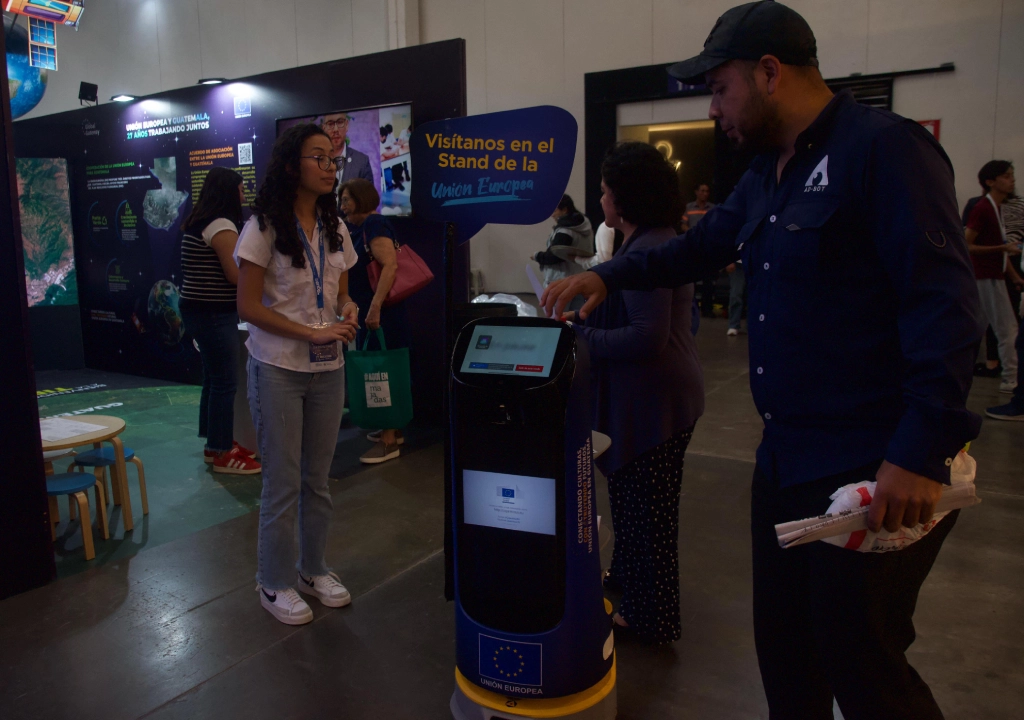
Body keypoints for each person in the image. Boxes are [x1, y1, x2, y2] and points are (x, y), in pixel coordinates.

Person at [542, 3, 982, 718]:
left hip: (869, 468)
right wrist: (608, 274)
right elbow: (697, 247)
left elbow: (945, 305)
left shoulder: (883, 150)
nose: (714, 110)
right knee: (785, 652)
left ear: (769, 72)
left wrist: (920, 449)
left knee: (864, 660)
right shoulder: (766, 175)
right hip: (785, 461)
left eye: (720, 89)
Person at [572, 141, 704, 644]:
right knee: (632, 501)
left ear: (623, 199)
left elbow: (645, 336)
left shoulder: (650, 249)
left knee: (647, 512)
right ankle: (628, 578)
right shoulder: (648, 240)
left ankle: (650, 614)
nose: (600, 200)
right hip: (653, 399)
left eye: (605, 191)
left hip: (655, 403)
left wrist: (582, 336)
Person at [235, 123, 360, 625]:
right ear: (293, 166)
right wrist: (307, 333)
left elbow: (343, 294)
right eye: (319, 158)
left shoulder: (335, 227)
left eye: (333, 159)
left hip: (328, 369)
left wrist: (348, 311)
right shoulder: (263, 227)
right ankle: (273, 581)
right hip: (278, 368)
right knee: (283, 483)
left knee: (318, 480)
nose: (330, 167)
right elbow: (246, 306)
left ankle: (313, 569)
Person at [179, 167, 261, 475]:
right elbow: (235, 274)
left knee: (214, 380)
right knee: (225, 382)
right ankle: (224, 452)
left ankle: (216, 444)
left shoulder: (198, 221)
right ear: (228, 191)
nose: (243, 195)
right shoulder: (222, 225)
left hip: (200, 311)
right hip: (213, 313)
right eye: (240, 189)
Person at [340, 178, 411, 464]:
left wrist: (375, 308)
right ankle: (391, 427)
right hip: (374, 310)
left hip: (383, 313)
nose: (342, 205)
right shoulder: (358, 228)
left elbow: (390, 265)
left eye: (347, 199)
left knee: (383, 371)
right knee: (379, 369)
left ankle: (389, 439)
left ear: (361, 198)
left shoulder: (374, 225)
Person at [965, 161, 1021, 394]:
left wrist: (1015, 276)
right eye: (1006, 176)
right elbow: (967, 245)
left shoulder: (995, 208)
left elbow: (1001, 248)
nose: (1012, 180)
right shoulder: (983, 208)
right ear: (990, 182)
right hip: (985, 277)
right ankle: (1011, 380)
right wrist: (1001, 249)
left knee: (976, 329)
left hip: (991, 275)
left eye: (1012, 176)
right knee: (1007, 330)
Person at [531, 194, 595, 291]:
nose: (552, 214)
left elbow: (555, 256)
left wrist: (537, 256)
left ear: (565, 210)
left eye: (555, 210)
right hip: (581, 278)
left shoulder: (564, 231)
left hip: (560, 282)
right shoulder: (585, 226)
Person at [684, 183, 718, 318]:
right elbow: (683, 224)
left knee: (708, 281)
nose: (705, 193)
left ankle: (707, 309)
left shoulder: (713, 208)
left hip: (708, 248)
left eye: (707, 191)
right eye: (702, 191)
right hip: (693, 247)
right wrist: (693, 233)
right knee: (692, 280)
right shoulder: (689, 207)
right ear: (696, 192)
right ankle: (692, 309)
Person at [321, 112, 373, 185]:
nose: (335, 129)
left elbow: (368, 196)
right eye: (330, 124)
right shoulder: (318, 162)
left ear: (346, 125)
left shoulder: (362, 162)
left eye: (340, 123)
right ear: (324, 128)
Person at [725, 259, 745, 335]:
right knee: (736, 294)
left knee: (755, 296)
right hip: (738, 263)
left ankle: (753, 325)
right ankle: (733, 325)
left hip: (755, 261)